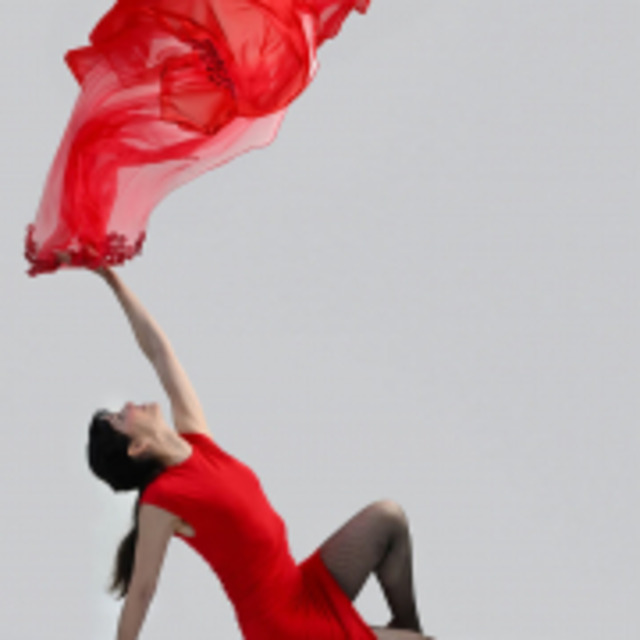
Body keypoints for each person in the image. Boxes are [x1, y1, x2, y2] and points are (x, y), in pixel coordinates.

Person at [85, 264, 430, 640]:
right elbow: (141, 591)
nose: (129, 405)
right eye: (121, 418)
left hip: (301, 586)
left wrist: (112, 280)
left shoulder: (197, 442)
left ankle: (407, 628)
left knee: (388, 518)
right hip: (282, 627)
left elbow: (159, 352)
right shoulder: (161, 499)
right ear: (137, 447)